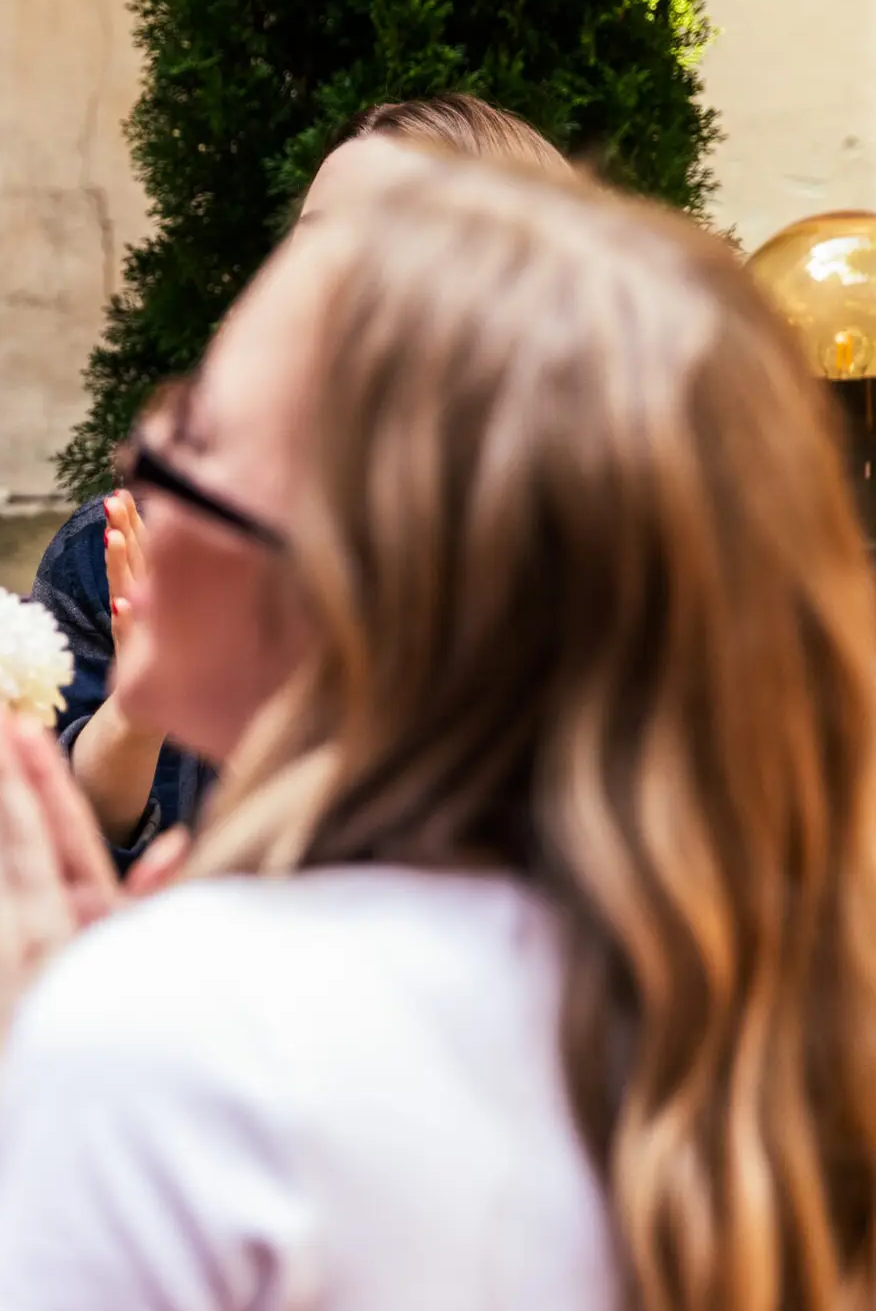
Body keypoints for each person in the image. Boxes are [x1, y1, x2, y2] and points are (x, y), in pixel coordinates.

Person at [0, 157, 876, 1311]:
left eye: (193, 430)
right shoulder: (782, 1001)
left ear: (359, 574)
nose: (137, 460)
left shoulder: (177, 1036)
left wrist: (7, 1104)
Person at [38, 92, 571, 858]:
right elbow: (49, 863)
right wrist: (136, 713)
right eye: (311, 248)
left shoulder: (588, 571)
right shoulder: (129, 550)